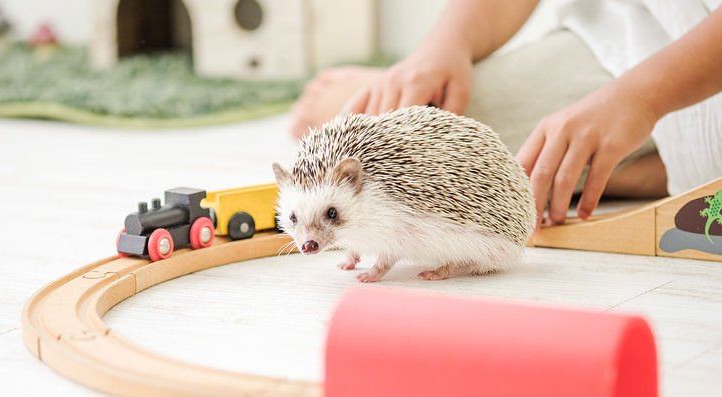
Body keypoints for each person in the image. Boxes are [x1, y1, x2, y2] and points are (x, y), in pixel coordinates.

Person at [290, 0, 722, 229]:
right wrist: (447, 44)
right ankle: (636, 169)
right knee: (412, 144)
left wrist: (641, 99)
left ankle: (635, 168)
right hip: (645, 32)